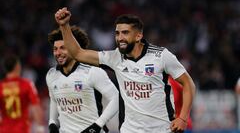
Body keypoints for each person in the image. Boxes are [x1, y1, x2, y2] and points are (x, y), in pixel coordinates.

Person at [54, 7, 196, 133]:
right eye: (117, 33)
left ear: (138, 36)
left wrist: (183, 118)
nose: (120, 38)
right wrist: (64, 26)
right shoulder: (115, 57)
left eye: (125, 33)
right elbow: (78, 54)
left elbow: (188, 84)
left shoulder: (161, 55)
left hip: (162, 129)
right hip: (129, 129)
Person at [47, 26, 119, 133]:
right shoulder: (52, 75)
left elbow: (116, 98)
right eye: (55, 49)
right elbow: (54, 99)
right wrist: (52, 122)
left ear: (73, 48)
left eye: (63, 48)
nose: (58, 53)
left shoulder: (92, 72)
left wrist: (97, 126)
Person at [0, 54, 44, 133]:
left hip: (4, 130)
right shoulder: (26, 84)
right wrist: (40, 127)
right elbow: (36, 107)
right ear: (17, 66)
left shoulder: (1, 87)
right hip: (22, 129)